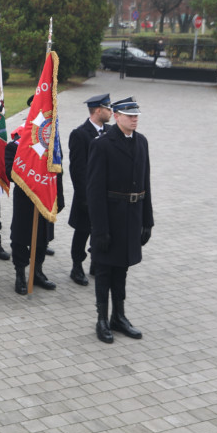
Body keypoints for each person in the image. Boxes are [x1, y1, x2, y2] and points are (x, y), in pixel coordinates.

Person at [87, 97, 154, 344]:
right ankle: (102, 319)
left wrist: (147, 220)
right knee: (104, 270)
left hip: (132, 217)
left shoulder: (141, 142)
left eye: (137, 115)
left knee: (122, 269)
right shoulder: (102, 144)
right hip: (110, 219)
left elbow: (146, 182)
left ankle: (119, 316)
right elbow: (94, 192)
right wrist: (100, 229)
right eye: (130, 116)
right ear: (116, 116)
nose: (134, 119)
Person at [6, 123, 63, 294]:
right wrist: (33, 170)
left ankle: (37, 272)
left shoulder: (50, 144)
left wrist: (59, 197)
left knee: (42, 238)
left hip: (45, 198)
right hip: (25, 200)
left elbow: (58, 170)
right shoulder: (14, 146)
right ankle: (20, 274)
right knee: (21, 238)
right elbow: (10, 173)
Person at [67, 93, 112, 286]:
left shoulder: (111, 131)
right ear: (98, 110)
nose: (111, 112)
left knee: (101, 230)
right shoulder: (80, 134)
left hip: (107, 195)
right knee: (83, 231)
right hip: (87, 196)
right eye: (108, 108)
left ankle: (96, 262)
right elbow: (78, 170)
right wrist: (85, 198)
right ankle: (77, 266)